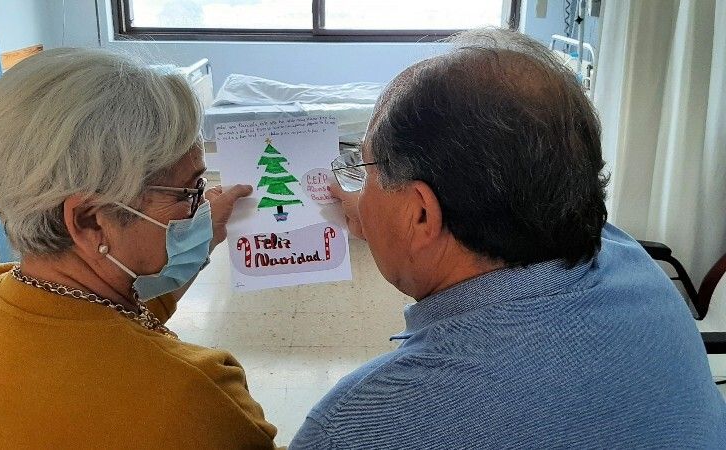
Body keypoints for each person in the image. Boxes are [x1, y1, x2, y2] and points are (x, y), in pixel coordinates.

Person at [290, 29, 726, 449]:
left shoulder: (355, 429)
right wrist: (373, 212)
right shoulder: (630, 259)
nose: (360, 189)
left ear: (421, 213)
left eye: (363, 170)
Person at [0, 48, 281, 449]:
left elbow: (118, 310)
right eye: (190, 191)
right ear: (90, 220)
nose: (199, 207)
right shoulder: (191, 393)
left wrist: (203, 235)